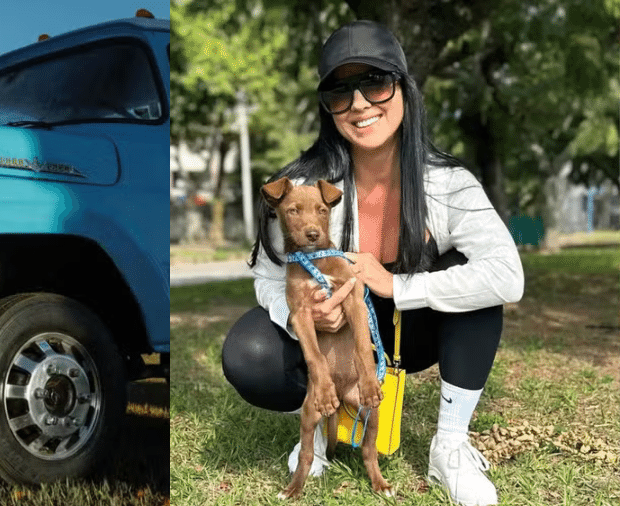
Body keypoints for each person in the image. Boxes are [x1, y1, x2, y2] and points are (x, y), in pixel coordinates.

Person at [221, 20, 523, 506]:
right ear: (327, 107)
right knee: (249, 352)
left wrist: (396, 285)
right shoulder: (301, 183)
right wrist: (310, 314)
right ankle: (317, 424)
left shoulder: (448, 183)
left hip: (414, 328)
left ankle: (450, 447)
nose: (359, 104)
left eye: (376, 82)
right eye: (340, 92)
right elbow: (267, 278)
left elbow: (507, 275)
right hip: (332, 334)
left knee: (473, 283)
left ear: (403, 87)